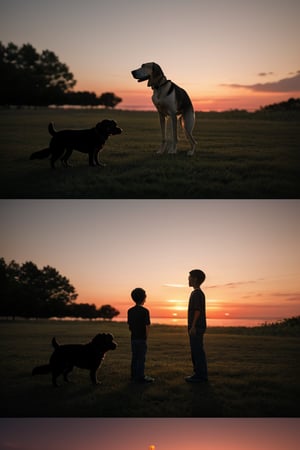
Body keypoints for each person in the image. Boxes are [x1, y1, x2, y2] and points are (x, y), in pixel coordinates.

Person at [185, 269, 208, 383]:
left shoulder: (197, 293)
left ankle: (200, 376)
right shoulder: (196, 293)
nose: (188, 279)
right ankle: (198, 374)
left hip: (197, 327)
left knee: (197, 351)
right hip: (197, 327)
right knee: (196, 350)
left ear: (195, 279)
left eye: (189, 277)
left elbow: (197, 311)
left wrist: (193, 326)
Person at [127, 287, 154, 383]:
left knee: (134, 357)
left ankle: (133, 375)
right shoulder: (145, 311)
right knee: (141, 358)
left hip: (133, 338)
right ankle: (140, 377)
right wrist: (146, 337)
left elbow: (130, 326)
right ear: (143, 298)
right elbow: (147, 326)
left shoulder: (130, 311)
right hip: (142, 339)